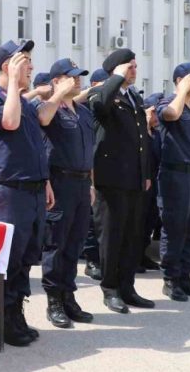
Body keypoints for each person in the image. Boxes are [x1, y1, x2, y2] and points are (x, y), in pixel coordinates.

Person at [0, 39, 54, 346]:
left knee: (25, 258)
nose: (31, 67)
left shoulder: (23, 101)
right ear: (8, 66)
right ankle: (2, 321)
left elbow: (34, 147)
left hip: (31, 191)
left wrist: (45, 180)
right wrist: (13, 88)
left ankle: (16, 314)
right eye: (25, 62)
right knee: (6, 260)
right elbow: (8, 122)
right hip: (7, 193)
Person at [88, 49, 154, 313]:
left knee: (131, 236)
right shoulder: (102, 92)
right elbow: (101, 106)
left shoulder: (133, 97)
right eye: (130, 67)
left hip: (134, 179)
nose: (134, 71)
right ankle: (110, 288)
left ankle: (127, 287)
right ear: (116, 69)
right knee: (112, 237)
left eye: (136, 66)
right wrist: (114, 78)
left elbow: (141, 140)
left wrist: (146, 173)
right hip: (112, 179)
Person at [37, 59, 94, 328]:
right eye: (71, 76)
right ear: (57, 80)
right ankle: (54, 300)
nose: (77, 80)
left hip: (82, 184)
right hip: (59, 183)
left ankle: (68, 295)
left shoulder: (83, 112)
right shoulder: (51, 108)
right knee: (56, 243)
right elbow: (42, 119)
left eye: (79, 75)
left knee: (75, 243)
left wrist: (91, 183)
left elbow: (88, 151)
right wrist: (57, 92)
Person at [155, 62, 190, 302]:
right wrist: (180, 91)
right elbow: (171, 115)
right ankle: (171, 278)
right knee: (175, 228)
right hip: (176, 175)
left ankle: (186, 275)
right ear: (181, 80)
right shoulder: (168, 103)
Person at [83, 68, 109, 281]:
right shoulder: (85, 104)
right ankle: (92, 260)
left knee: (103, 219)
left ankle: (102, 258)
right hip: (88, 166)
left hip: (105, 166)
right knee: (92, 219)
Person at [139, 93, 163, 272]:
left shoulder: (157, 134)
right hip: (139, 185)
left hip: (155, 183)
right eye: (153, 112)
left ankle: (142, 254)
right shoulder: (139, 133)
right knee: (137, 224)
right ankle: (133, 258)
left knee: (149, 221)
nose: (157, 116)